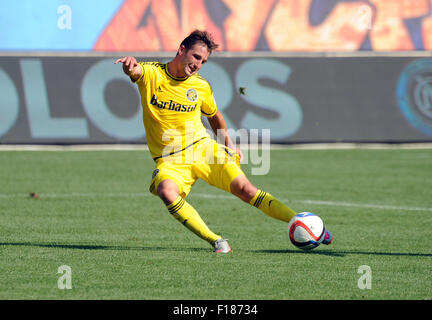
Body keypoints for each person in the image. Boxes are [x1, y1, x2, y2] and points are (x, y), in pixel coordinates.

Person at [115, 30, 333, 253]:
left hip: (203, 148)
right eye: (196, 57)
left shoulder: (200, 86)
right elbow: (135, 71)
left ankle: (305, 224)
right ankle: (216, 241)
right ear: (182, 50)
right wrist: (129, 66)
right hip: (170, 159)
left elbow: (214, 116)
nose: (198, 64)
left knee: (246, 190)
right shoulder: (153, 74)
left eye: (203, 61)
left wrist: (228, 144)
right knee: (166, 190)